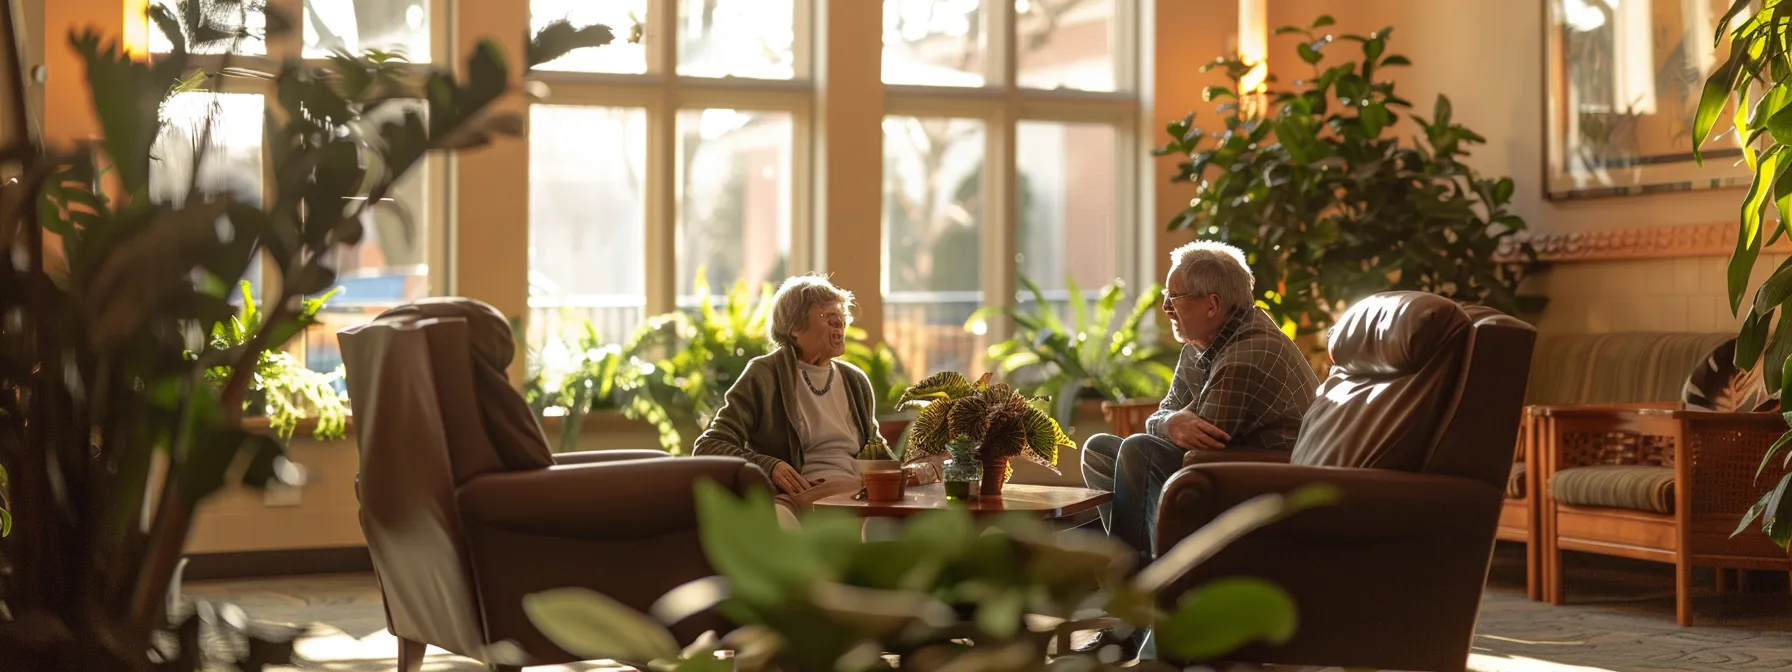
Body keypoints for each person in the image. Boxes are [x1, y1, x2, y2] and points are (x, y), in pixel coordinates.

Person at [1082, 241, 1319, 563]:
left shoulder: (1249, 354)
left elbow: (1204, 442)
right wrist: (1166, 422)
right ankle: (1139, 562)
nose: (1165, 307)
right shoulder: (1198, 346)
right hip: (1220, 464)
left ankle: (1135, 580)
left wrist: (1168, 423)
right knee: (1099, 450)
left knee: (1140, 450)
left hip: (1262, 476)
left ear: (1212, 305)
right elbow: (1167, 414)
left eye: (1174, 297)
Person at [692, 274, 935, 526]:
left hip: (857, 492)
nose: (839, 323)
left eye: (841, 317)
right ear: (795, 328)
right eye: (825, 316)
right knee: (782, 521)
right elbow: (709, 446)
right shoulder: (764, 375)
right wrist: (769, 465)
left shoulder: (855, 381)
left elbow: (875, 450)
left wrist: (918, 467)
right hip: (799, 495)